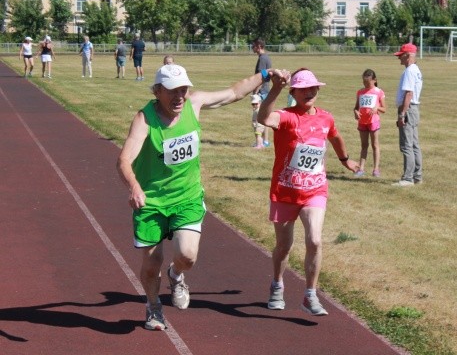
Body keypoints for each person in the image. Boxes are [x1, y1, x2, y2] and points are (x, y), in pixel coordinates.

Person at [116, 63, 288, 331]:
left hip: (187, 197)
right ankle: (154, 308)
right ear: (158, 91)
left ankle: (176, 275)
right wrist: (134, 186)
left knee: (187, 256)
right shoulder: (144, 119)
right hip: (152, 201)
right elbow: (124, 159)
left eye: (183, 89)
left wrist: (265, 75)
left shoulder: (194, 104)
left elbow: (234, 92)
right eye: (173, 91)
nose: (179, 96)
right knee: (151, 264)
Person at [257, 68, 359, 316]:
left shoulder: (326, 118)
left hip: (315, 190)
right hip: (285, 191)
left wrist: (345, 160)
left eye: (313, 88)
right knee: (284, 246)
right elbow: (263, 118)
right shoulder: (287, 117)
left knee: (314, 240)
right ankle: (277, 285)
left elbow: (335, 137)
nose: (309, 93)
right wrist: (275, 89)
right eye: (303, 89)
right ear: (293, 92)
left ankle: (310, 295)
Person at [392, 43, 423, 187]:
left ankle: (408, 178)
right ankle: (417, 175)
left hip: (409, 109)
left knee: (406, 145)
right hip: (414, 109)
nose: (399, 59)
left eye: (401, 56)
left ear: (408, 55)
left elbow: (408, 94)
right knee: (414, 144)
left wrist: (402, 114)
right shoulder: (416, 70)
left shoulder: (410, 71)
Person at [353, 69, 386, 177]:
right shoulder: (360, 92)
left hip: (373, 122)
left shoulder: (378, 92)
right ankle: (361, 169)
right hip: (362, 122)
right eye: (364, 82)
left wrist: (377, 108)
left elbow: (384, 109)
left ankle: (376, 169)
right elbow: (356, 107)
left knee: (375, 145)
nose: (366, 85)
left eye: (368, 82)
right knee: (364, 145)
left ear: (374, 80)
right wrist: (356, 112)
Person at [252, 38, 272, 146]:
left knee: (257, 117)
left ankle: (259, 142)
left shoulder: (262, 59)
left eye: (253, 46)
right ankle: (266, 141)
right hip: (265, 90)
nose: (252, 48)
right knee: (265, 117)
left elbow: (262, 77)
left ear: (259, 46)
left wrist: (255, 91)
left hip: (261, 91)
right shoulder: (266, 57)